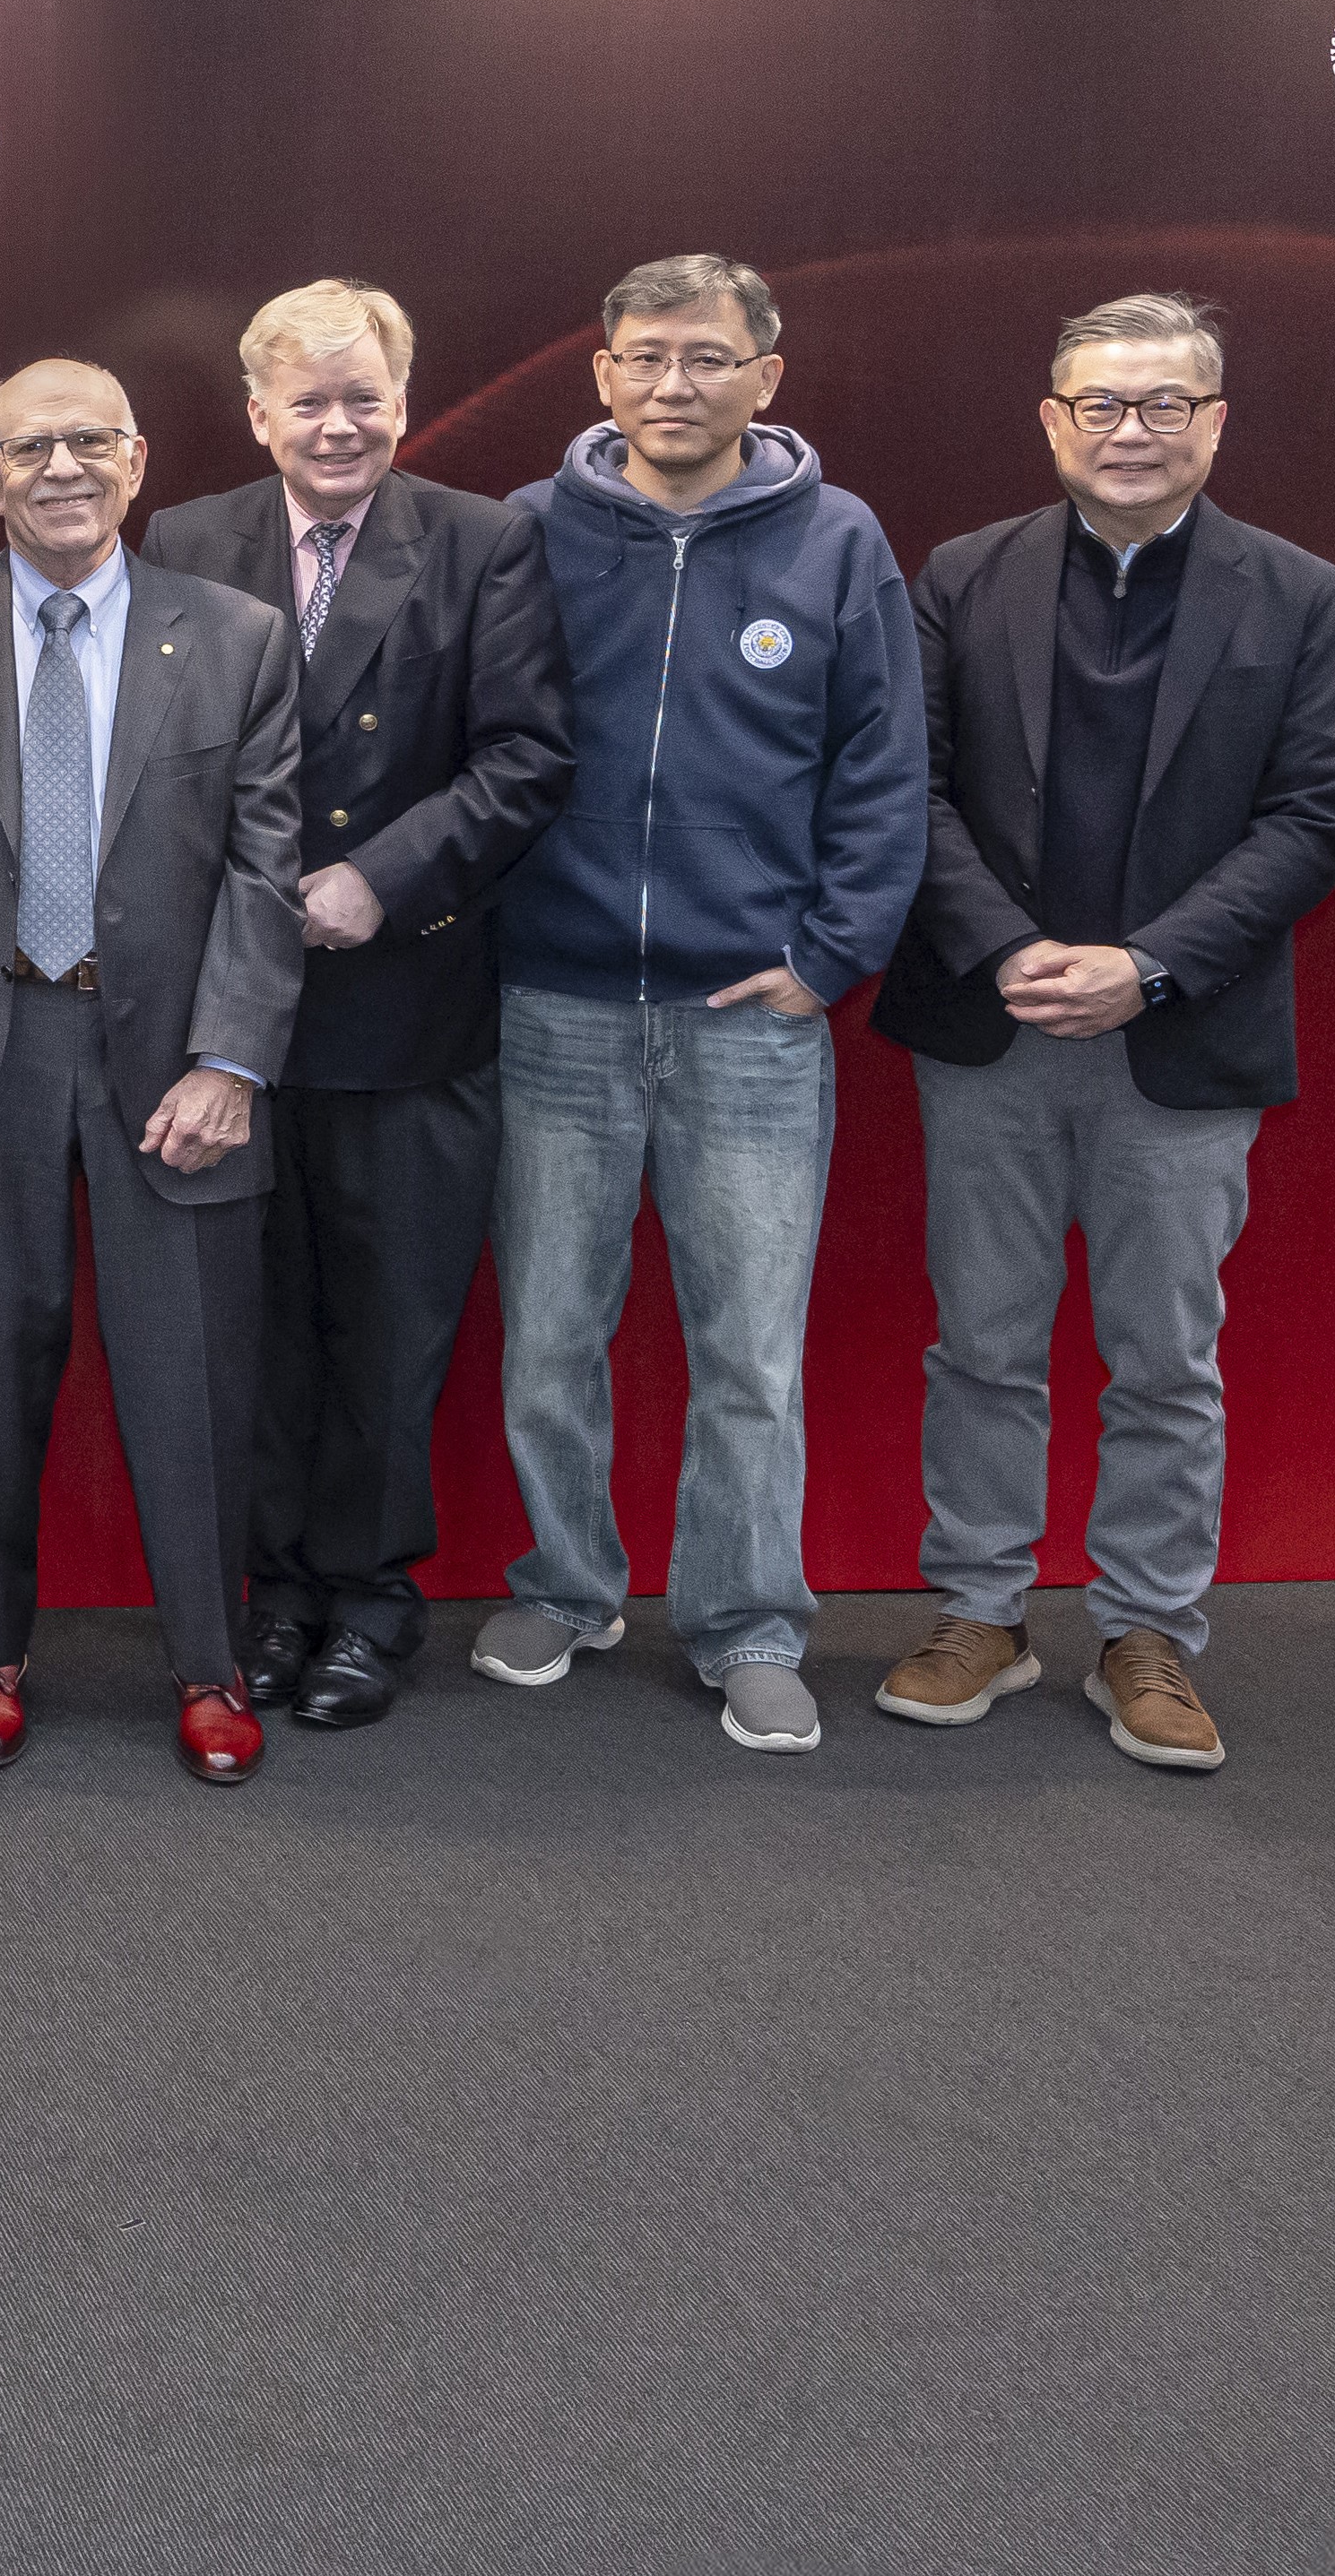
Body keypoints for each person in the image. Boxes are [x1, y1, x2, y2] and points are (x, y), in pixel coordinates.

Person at [867, 294, 1335, 1773]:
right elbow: (909, 788)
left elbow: (1313, 817)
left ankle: (1146, 1631)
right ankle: (981, 1611)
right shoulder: (961, 577)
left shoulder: (1300, 594)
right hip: (994, 1019)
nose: (1129, 429)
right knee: (983, 1343)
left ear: (1212, 424)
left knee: (1163, 1356)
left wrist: (1144, 966)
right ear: (1050, 421)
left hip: (1180, 1038)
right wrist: (1014, 948)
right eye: (1100, 403)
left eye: (1162, 404)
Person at [477, 255, 923, 1754]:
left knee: (748, 1346)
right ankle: (568, 1581)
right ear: (599, 373)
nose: (676, 384)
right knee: (547, 1326)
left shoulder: (839, 541)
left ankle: (745, 1624)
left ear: (765, 376)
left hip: (754, 1016)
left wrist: (827, 956)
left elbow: (881, 769)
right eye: (647, 357)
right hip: (556, 1000)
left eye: (709, 358)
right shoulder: (529, 533)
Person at [144, 281, 570, 1729]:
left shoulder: (483, 539)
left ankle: (372, 1598)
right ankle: (275, 1595)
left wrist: (376, 879)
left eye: (362, 396)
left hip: (404, 1003)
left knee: (389, 1327)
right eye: (306, 400)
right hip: (229, 1021)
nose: (337, 425)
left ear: (402, 394)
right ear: (255, 413)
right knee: (257, 1323)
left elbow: (524, 757)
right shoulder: (186, 541)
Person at [0, 363, 301, 1783]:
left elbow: (269, 867)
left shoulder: (238, 633)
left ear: (137, 464)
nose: (61, 466)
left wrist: (232, 1056)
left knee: (191, 1372)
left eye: (89, 442)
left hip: (173, 1064)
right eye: (30, 445)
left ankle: (209, 1663)